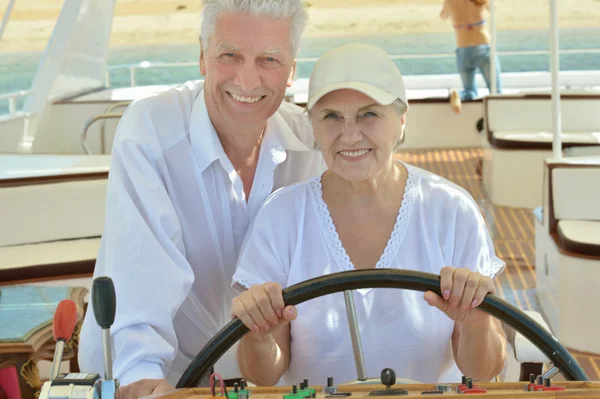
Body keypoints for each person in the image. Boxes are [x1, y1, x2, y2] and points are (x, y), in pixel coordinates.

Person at [77, 1, 325, 397]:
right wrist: (142, 381)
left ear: (292, 69)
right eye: (230, 55)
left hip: (264, 380)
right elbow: (140, 275)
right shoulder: (152, 133)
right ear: (202, 57)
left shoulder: (311, 145)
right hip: (163, 378)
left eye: (269, 59)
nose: (247, 80)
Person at [230, 43, 507, 386]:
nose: (349, 134)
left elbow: (483, 372)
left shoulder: (452, 209)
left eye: (369, 114)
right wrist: (258, 337)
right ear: (313, 125)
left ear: (402, 120)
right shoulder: (280, 216)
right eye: (331, 116)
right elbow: (264, 374)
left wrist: (476, 324)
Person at [440, 0, 502, 114]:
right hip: (482, 45)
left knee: (470, 92)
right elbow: (493, 9)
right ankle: (496, 117)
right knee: (495, 90)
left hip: (463, 48)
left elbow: (443, 16)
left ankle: (458, 94)